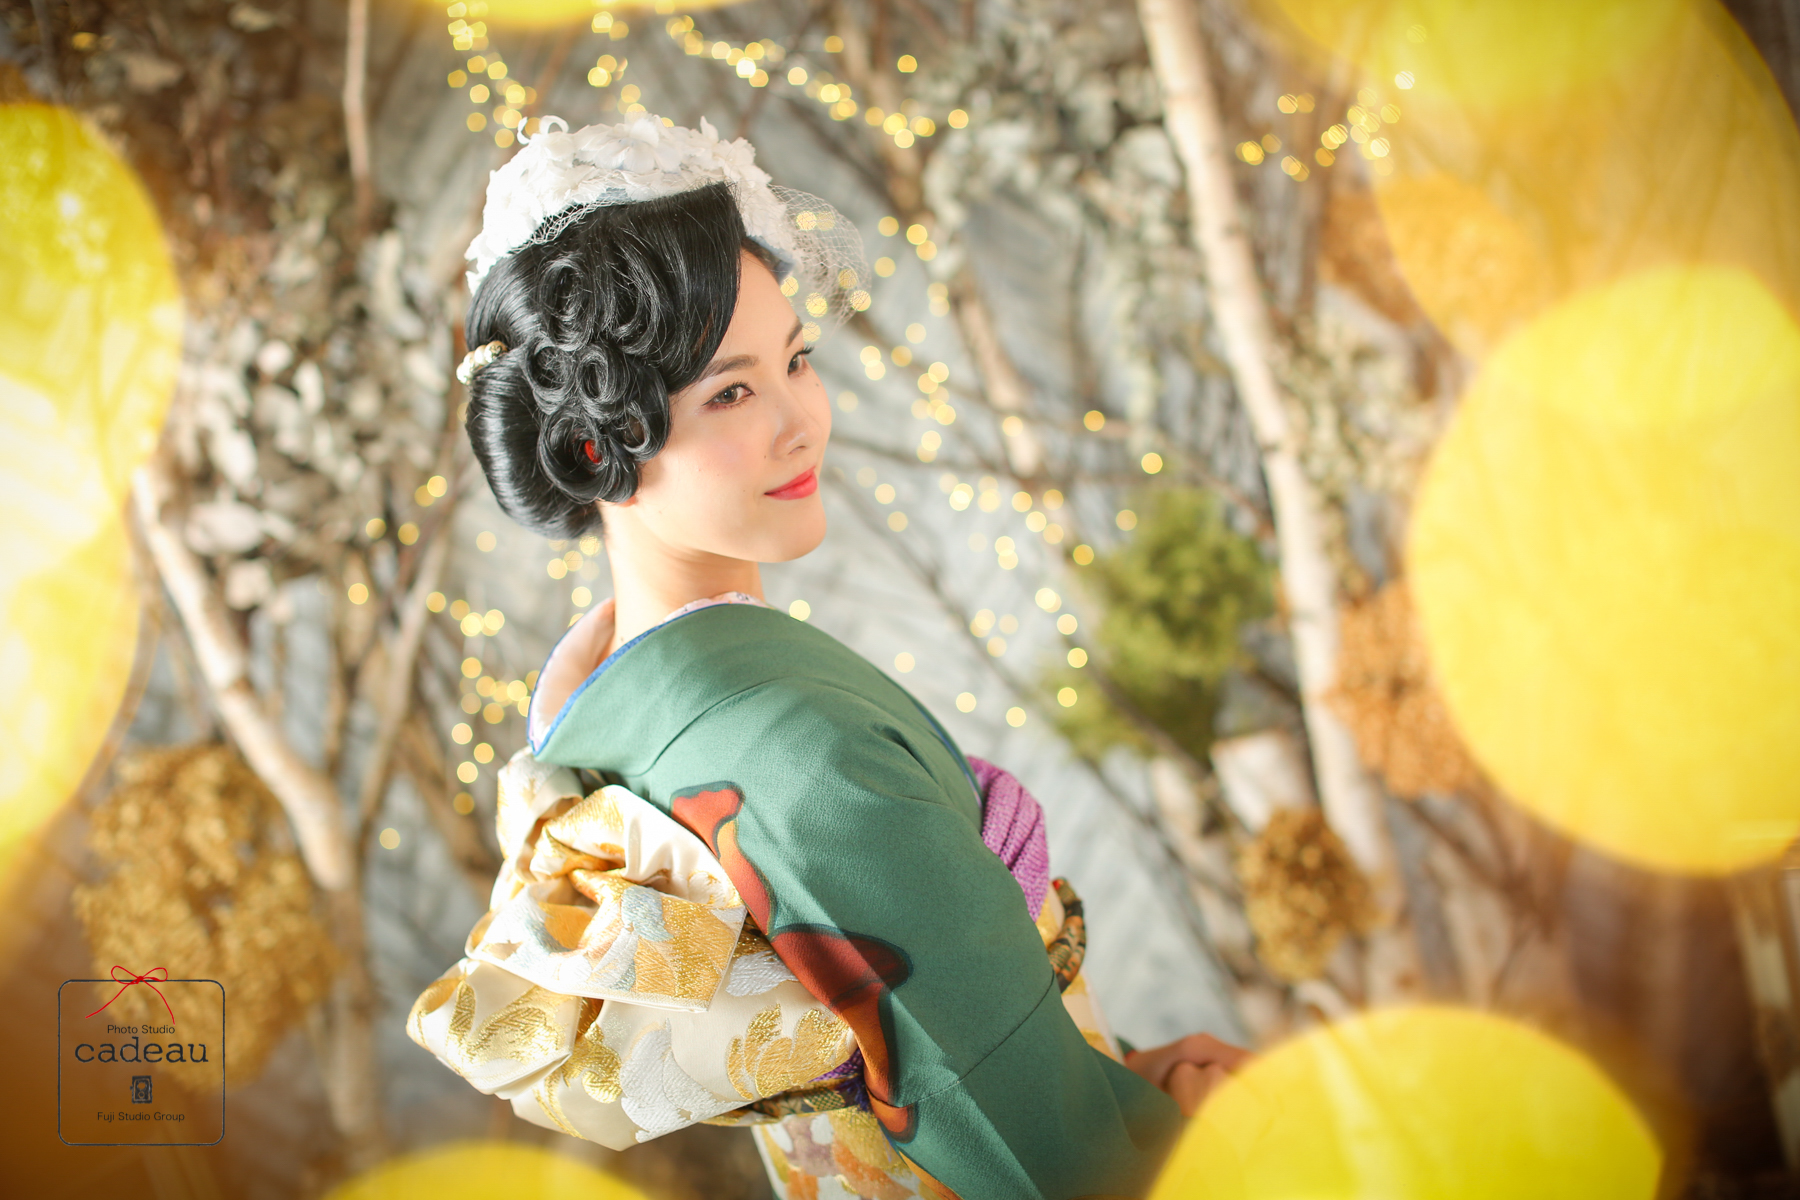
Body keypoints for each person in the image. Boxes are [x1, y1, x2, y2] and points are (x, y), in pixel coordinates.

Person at [416, 112, 1248, 1199]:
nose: (802, 419)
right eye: (731, 391)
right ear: (590, 445)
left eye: (797, 361)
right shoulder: (795, 754)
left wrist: (1127, 1072)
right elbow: (1012, 1132)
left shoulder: (614, 710)